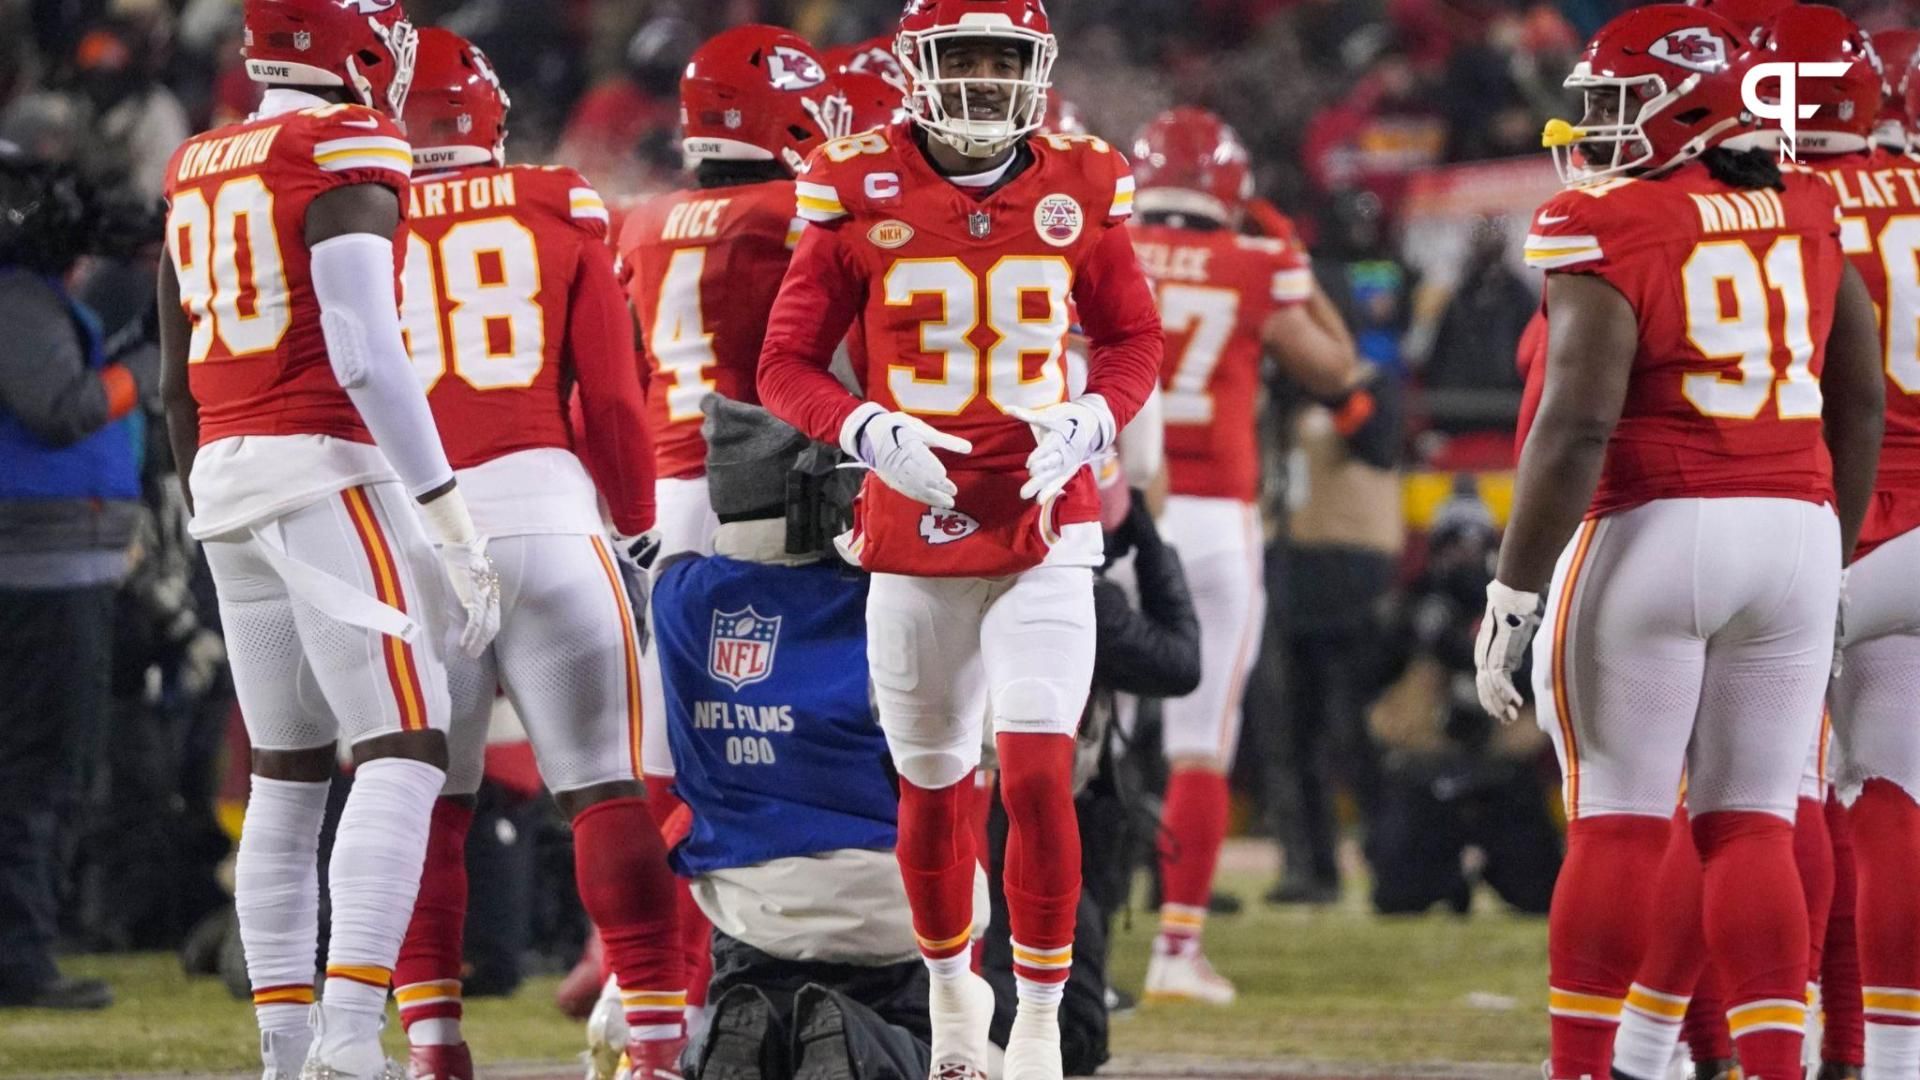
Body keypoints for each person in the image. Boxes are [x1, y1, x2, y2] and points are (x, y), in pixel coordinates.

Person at [1474, 8, 1884, 1080]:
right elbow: (1860, 402)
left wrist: (1513, 592)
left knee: (1617, 822)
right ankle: (1775, 1069)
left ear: (1692, 106)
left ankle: (1586, 1068)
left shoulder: (1609, 221)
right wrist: (1828, 547)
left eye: (1621, 103)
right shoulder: (1807, 204)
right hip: (1796, 529)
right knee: (1751, 826)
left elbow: (1574, 426)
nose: (1601, 127)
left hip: (1660, 523)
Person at [756, 2, 1164, 1077]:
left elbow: (1131, 339)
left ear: (1037, 68)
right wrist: (864, 426)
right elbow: (783, 362)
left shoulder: (1083, 178)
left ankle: (1034, 1021)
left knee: (1038, 774)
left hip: (1046, 520)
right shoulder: (855, 183)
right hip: (911, 521)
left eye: (1004, 60)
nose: (984, 80)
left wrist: (1094, 417)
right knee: (934, 786)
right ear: (915, 69)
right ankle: (950, 1002)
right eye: (964, 58)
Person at [156, 2, 503, 1075]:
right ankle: (352, 1044)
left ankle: (285, 1046)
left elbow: (174, 381)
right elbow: (362, 350)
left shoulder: (198, 158)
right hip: (323, 463)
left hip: (223, 474)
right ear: (350, 47)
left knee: (287, 774)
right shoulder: (338, 140)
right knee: (406, 746)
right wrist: (446, 513)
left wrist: (208, 501)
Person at [385, 29, 684, 1080]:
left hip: (409, 529)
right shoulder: (557, 201)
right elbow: (610, 397)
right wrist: (638, 520)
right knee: (605, 789)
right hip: (547, 513)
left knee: (424, 802)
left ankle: (434, 1048)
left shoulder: (339, 210)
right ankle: (654, 1041)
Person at [612, 24, 847, 1047]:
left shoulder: (648, 218)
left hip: (668, 497)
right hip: (763, 493)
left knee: (670, 752)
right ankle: (746, 966)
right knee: (776, 741)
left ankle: (649, 990)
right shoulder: (793, 208)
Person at [653, 394, 970, 1080]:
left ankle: (750, 1029)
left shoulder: (675, 596)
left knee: (760, 980)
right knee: (960, 1054)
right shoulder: (882, 602)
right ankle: (861, 1040)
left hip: (749, 911)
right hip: (889, 913)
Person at [1122, 106, 1354, 1003]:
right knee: (1199, 745)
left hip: (1108, 505)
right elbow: (1335, 369)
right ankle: (1177, 950)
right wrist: (1293, 259)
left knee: (1056, 729)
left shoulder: (1098, 244)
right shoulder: (1255, 264)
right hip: (1215, 516)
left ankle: (1044, 938)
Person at [0, 146, 153, 1012]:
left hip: (57, 566)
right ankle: (21, 957)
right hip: (36, 574)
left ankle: (26, 944)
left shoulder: (33, 298)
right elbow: (59, 411)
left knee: (49, 765)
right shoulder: (17, 300)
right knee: (36, 767)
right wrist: (143, 367)